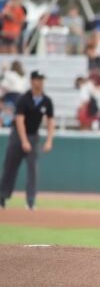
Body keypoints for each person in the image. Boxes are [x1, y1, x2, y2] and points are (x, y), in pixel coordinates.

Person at [0, 71, 55, 209]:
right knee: (10, 167)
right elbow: (19, 120)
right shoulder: (23, 99)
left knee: (33, 170)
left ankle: (31, 201)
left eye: (42, 79)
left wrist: (49, 140)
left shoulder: (46, 101)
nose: (40, 82)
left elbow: (50, 121)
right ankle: (2, 197)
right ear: (32, 81)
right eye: (38, 79)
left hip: (34, 136)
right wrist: (24, 140)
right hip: (17, 137)